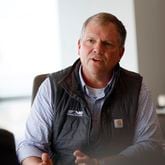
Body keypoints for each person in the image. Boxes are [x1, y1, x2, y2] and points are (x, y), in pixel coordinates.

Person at [17, 12, 164, 165]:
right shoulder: (52, 87)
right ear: (79, 46)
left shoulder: (137, 88)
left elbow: (151, 145)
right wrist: (35, 163)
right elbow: (30, 144)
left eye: (107, 43)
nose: (98, 49)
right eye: (91, 41)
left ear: (120, 53)